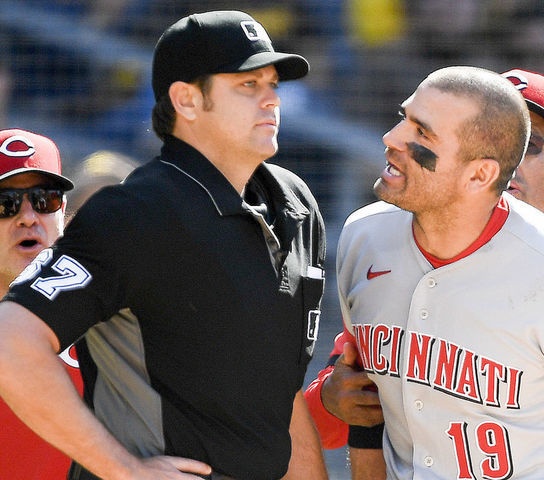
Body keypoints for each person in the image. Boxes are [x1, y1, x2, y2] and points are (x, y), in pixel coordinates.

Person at [0, 10, 327, 480]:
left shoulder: (295, 204)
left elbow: (281, 396)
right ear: (187, 100)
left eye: (273, 83)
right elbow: (12, 339)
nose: (273, 99)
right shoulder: (135, 212)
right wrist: (125, 470)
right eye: (247, 85)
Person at [305, 68, 544, 478]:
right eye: (497, 139)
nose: (509, 161)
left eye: (527, 146)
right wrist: (330, 399)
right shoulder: (377, 239)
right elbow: (345, 411)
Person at [0, 128, 82, 479]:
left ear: (63, 210)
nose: (28, 217)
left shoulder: (113, 322)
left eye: (44, 199)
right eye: (5, 203)